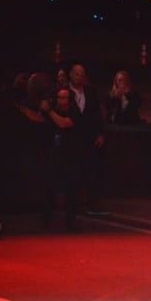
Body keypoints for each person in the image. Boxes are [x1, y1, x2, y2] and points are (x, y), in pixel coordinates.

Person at [67, 63, 106, 213]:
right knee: (73, 173)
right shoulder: (64, 92)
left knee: (91, 171)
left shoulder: (90, 92)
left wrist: (101, 133)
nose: (80, 77)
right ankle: (73, 204)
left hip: (88, 139)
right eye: (77, 74)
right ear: (71, 75)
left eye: (82, 74)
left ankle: (92, 203)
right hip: (70, 140)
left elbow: (97, 114)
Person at [40, 89, 80, 229]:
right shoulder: (50, 112)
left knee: (70, 190)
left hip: (70, 156)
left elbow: (63, 123)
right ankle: (47, 220)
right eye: (59, 97)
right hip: (54, 155)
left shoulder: (75, 112)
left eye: (65, 98)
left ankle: (71, 221)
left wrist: (49, 111)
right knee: (49, 188)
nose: (62, 101)